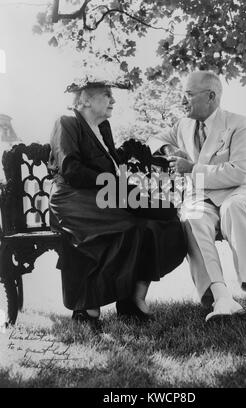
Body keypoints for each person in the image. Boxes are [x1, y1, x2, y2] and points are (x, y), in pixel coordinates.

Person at [48, 76, 187, 330]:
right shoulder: (67, 122)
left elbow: (106, 164)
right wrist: (114, 184)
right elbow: (71, 169)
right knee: (131, 225)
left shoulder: (103, 129)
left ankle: (133, 299)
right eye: (106, 95)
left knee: (166, 217)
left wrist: (125, 153)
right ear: (84, 99)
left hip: (103, 195)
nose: (113, 100)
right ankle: (88, 308)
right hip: (72, 199)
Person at [148, 70, 246, 322]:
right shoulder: (183, 125)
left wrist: (192, 169)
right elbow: (153, 139)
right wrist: (170, 148)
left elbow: (239, 172)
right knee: (190, 216)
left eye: (188, 94)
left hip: (239, 193)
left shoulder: (239, 124)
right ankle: (221, 298)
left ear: (210, 96)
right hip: (202, 197)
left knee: (234, 208)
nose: (182, 100)